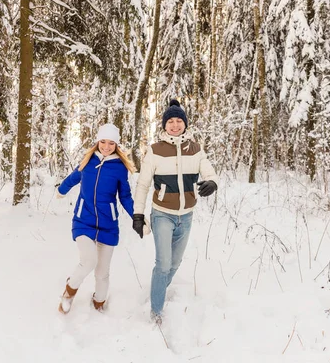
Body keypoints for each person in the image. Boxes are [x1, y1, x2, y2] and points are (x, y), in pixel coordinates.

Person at [133, 99, 218, 324]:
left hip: (187, 215)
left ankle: (157, 289)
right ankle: (156, 311)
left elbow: (210, 172)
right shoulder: (155, 151)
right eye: (170, 121)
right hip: (162, 214)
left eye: (179, 120)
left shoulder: (195, 149)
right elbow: (142, 184)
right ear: (164, 125)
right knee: (163, 264)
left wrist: (212, 183)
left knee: (175, 263)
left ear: (185, 124)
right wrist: (138, 214)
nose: (175, 125)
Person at [56, 123, 142, 314]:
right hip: (83, 221)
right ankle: (68, 295)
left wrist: (137, 216)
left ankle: (99, 303)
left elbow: (125, 196)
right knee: (88, 261)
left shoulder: (119, 168)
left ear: (116, 145)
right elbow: (73, 178)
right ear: (97, 142)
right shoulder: (88, 162)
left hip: (108, 225)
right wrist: (61, 190)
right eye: (103, 141)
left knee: (102, 272)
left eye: (111, 143)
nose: (106, 146)